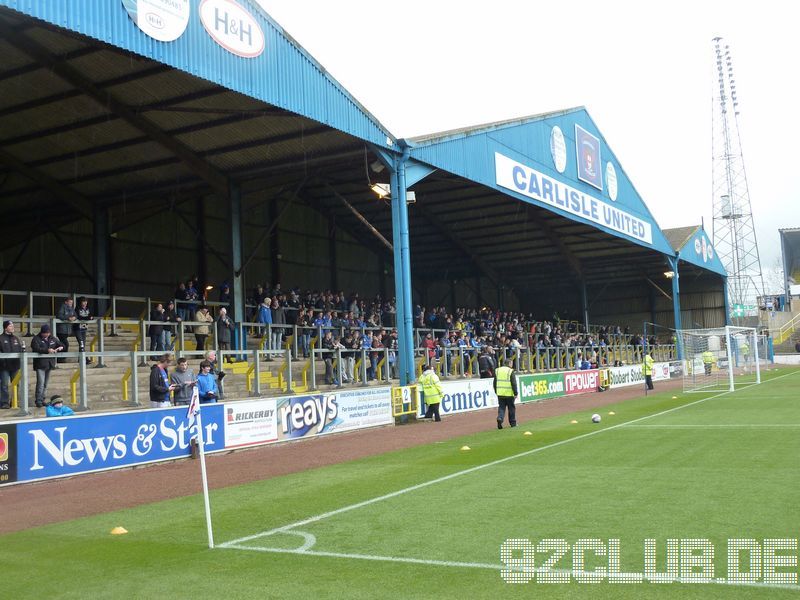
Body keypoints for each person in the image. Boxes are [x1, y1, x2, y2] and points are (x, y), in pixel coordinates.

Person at [31, 324, 64, 408]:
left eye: (48, 333)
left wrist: (60, 347)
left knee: (45, 383)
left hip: (49, 364)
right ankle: (38, 400)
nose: (47, 334)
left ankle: (42, 399)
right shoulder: (36, 339)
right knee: (41, 383)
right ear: (42, 332)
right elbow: (36, 348)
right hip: (40, 364)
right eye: (45, 333)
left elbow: (62, 344)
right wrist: (47, 350)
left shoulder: (52, 338)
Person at [0, 320, 24, 409]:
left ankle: (14, 401)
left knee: (16, 384)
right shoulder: (1, 338)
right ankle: (4, 403)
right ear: (5, 327)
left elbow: (21, 350)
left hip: (15, 366)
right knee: (4, 385)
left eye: (13, 326)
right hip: (4, 367)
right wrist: (3, 362)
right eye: (10, 326)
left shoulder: (16, 338)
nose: (12, 327)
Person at [494, 362, 518, 429]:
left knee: (501, 407)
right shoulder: (510, 371)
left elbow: (495, 382)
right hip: (509, 393)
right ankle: (513, 423)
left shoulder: (497, 370)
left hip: (500, 393)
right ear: (509, 363)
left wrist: (496, 391)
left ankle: (500, 418)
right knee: (511, 408)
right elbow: (514, 383)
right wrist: (515, 393)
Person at [56, 297, 76, 362]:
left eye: (72, 303)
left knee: (63, 344)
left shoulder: (72, 309)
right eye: (70, 302)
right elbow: (59, 315)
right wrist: (68, 318)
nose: (71, 304)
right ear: (66, 302)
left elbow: (76, 315)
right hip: (61, 330)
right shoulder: (63, 307)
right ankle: (61, 358)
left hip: (67, 330)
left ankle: (60, 358)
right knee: (65, 344)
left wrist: (74, 318)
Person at [75, 296, 92, 363]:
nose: (85, 303)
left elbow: (91, 316)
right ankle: (84, 358)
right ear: (80, 302)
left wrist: (89, 317)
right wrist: (87, 318)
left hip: (84, 328)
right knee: (81, 343)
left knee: (83, 344)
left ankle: (81, 358)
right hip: (77, 328)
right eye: (83, 301)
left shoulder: (88, 308)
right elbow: (79, 317)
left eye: (86, 301)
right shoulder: (77, 308)